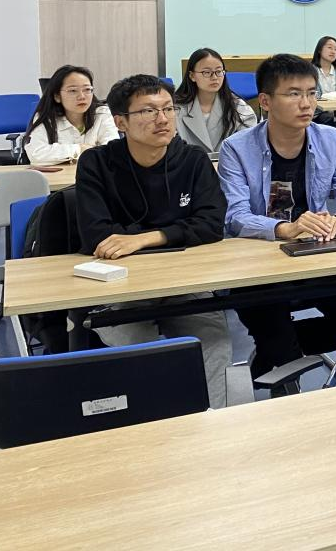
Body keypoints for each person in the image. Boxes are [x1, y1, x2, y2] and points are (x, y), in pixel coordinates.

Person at [75, 74, 231, 408]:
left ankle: (212, 423)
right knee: (142, 353)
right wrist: (179, 231)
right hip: (121, 289)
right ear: (121, 122)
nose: (162, 119)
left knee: (213, 343)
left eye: (168, 109)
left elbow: (211, 225)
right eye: (148, 111)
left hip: (182, 282)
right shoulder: (97, 163)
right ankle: (149, 428)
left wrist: (146, 238)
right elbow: (97, 235)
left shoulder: (193, 160)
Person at [218, 54, 336, 383]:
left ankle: (277, 354)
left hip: (314, 258)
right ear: (265, 101)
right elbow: (235, 217)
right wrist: (286, 228)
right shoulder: (236, 148)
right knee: (276, 334)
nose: (306, 103)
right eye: (294, 94)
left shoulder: (332, 140)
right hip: (256, 269)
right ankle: (281, 356)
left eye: (312, 93)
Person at [23, 64, 118, 164]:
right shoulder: (47, 118)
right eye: (73, 90)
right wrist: (79, 149)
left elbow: (112, 152)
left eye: (87, 89)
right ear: (57, 96)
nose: (82, 96)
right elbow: (36, 154)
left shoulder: (102, 114)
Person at [173, 47, 257, 156]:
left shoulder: (239, 108)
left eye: (218, 71)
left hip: (228, 165)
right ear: (192, 76)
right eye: (207, 72)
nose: (214, 77)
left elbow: (248, 147)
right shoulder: (175, 109)